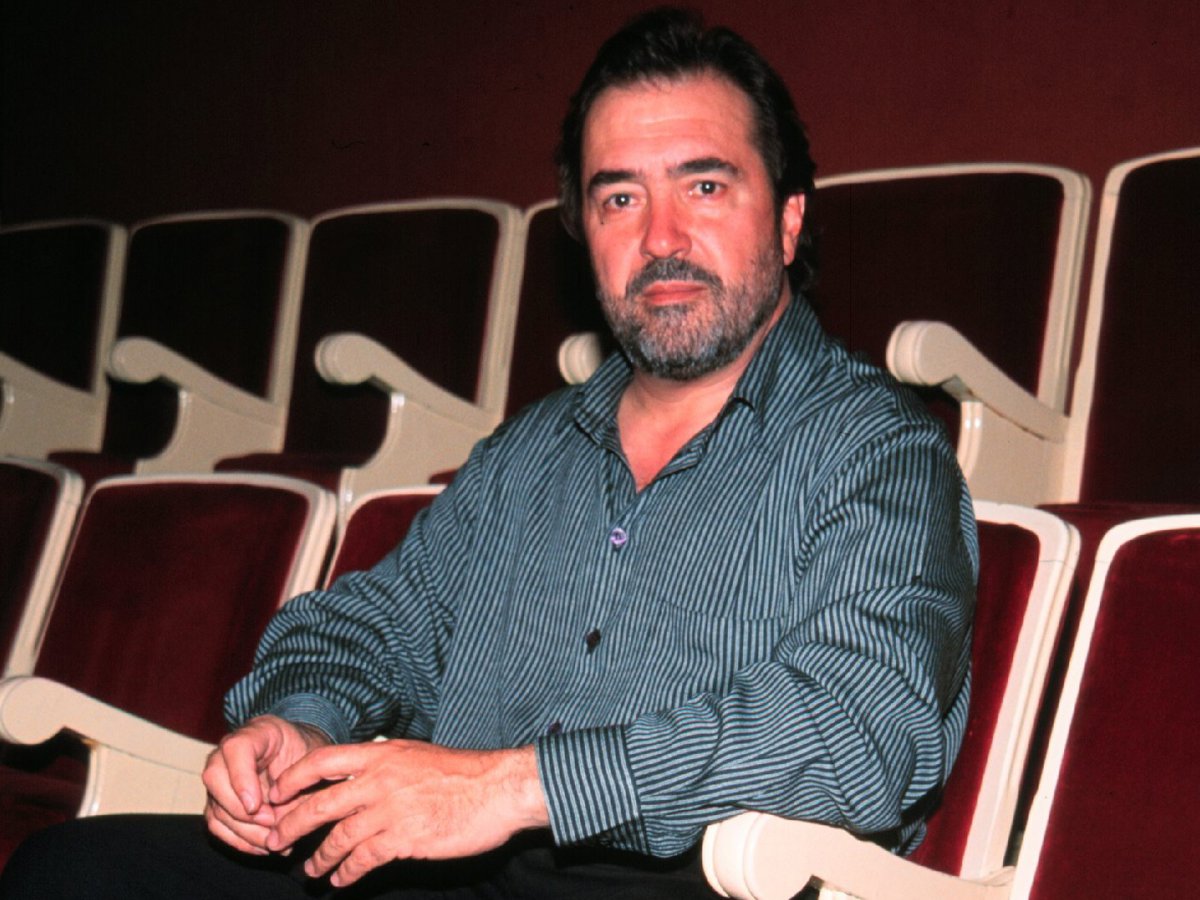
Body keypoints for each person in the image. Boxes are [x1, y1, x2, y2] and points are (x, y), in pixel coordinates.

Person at [1, 8, 975, 898]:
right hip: (453, 872)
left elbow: (861, 725)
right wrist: (298, 723)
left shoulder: (877, 450)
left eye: (705, 186)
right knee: (73, 874)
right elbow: (377, 624)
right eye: (619, 199)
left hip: (703, 883)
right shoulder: (532, 452)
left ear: (790, 217)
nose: (661, 238)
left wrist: (514, 788)